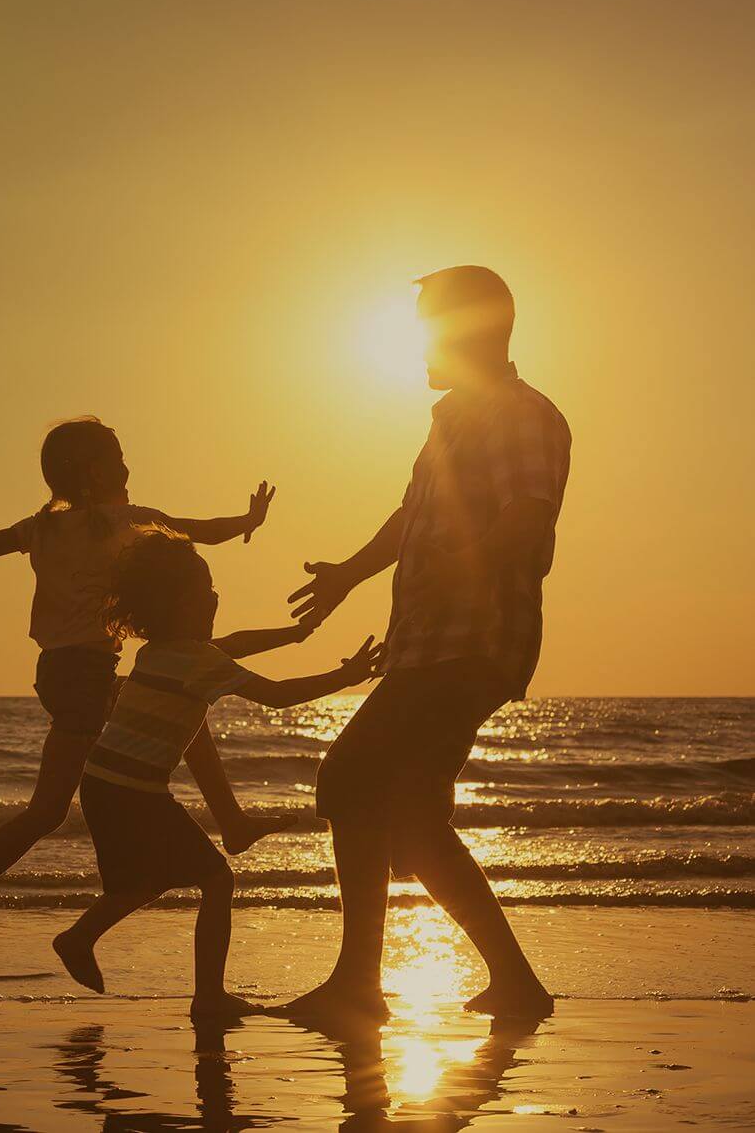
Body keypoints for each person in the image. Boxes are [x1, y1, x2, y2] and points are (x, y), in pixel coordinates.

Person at [0, 417, 289, 964]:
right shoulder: (124, 520)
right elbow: (194, 528)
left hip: (58, 671)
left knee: (173, 707)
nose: (129, 468)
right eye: (121, 459)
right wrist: (248, 520)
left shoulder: (42, 528)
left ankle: (232, 820)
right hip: (84, 678)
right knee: (53, 804)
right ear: (97, 471)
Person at [283, 265, 571, 1024]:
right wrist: (349, 571)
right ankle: (515, 983)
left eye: (428, 332)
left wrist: (456, 568)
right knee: (411, 818)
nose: (418, 350)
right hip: (432, 643)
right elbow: (411, 514)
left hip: (469, 643)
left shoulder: (519, 413)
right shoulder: (454, 422)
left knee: (347, 779)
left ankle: (358, 985)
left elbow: (529, 520)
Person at [49, 528, 385, 1014]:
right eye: (206, 590)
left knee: (143, 882)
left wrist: (293, 634)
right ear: (182, 605)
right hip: (135, 794)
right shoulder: (200, 662)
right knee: (217, 881)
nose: (216, 596)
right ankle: (208, 998)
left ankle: (79, 937)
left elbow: (234, 644)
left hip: (103, 787)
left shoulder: (160, 652)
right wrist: (345, 677)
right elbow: (278, 695)